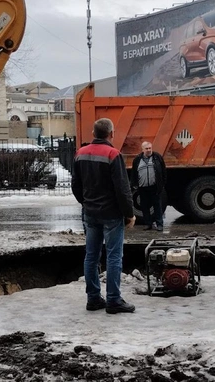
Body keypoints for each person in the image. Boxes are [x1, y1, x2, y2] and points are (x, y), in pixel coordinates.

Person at [71, 118, 136, 314]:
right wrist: (129, 214)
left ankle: (93, 299)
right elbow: (122, 190)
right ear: (111, 134)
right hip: (111, 215)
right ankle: (114, 300)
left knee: (91, 256)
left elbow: (76, 185)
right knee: (114, 256)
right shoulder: (113, 154)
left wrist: (86, 202)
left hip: (90, 214)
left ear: (93, 133)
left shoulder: (80, 154)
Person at [131, 141, 167, 231]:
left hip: (154, 186)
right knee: (144, 206)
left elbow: (163, 171)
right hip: (143, 187)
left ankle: (159, 224)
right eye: (146, 149)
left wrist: (162, 184)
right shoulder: (137, 160)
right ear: (142, 149)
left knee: (157, 206)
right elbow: (134, 173)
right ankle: (148, 224)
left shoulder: (157, 157)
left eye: (150, 148)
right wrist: (135, 184)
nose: (149, 150)